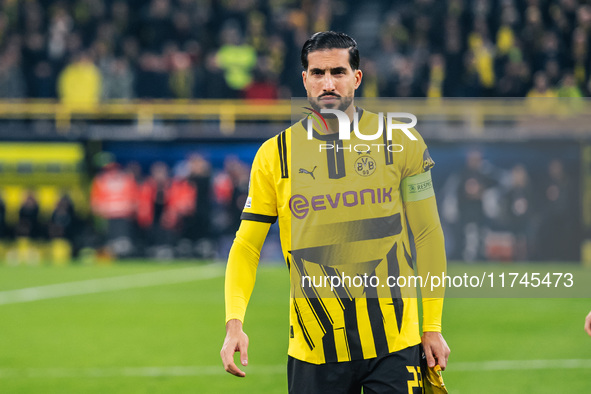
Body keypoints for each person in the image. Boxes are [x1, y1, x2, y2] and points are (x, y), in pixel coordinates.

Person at [221, 31, 450, 393]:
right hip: (315, 345)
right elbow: (247, 246)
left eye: (338, 72)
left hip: (394, 344)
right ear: (305, 80)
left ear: (356, 78)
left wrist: (432, 325)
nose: (328, 83)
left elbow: (427, 234)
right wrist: (235, 323)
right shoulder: (274, 155)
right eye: (318, 73)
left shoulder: (402, 141)